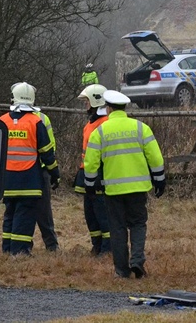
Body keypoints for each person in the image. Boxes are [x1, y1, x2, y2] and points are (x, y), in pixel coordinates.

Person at [84, 90, 165, 279]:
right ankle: (137, 261)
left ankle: (121, 270)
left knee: (117, 227)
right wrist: (159, 178)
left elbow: (90, 162)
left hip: (113, 189)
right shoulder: (141, 128)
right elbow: (155, 157)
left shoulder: (100, 132)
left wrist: (89, 184)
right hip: (138, 188)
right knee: (138, 224)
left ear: (109, 108)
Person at [0, 82, 60, 255]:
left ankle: (7, 249)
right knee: (24, 216)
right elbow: (47, 152)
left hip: (7, 180)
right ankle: (20, 251)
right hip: (29, 180)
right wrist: (55, 173)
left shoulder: (2, 121)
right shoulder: (36, 121)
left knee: (9, 214)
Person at [19, 83, 59, 251]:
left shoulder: (10, 118)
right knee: (43, 211)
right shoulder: (42, 118)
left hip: (18, 171)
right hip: (39, 169)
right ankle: (51, 245)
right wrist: (53, 171)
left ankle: (23, 245)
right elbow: (50, 147)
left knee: (20, 209)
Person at [74, 84, 111, 256]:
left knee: (102, 214)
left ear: (96, 102)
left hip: (99, 175)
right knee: (91, 214)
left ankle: (107, 248)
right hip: (87, 174)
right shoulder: (91, 123)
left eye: (87, 102)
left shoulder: (104, 124)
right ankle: (97, 246)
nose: (85, 106)